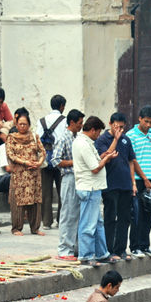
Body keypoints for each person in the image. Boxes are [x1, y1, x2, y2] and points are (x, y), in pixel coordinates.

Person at [73, 116, 117, 266]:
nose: (98, 136)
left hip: (93, 188)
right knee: (88, 224)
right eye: (98, 133)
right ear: (92, 130)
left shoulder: (86, 142)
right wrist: (105, 160)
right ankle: (86, 255)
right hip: (89, 187)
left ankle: (101, 253)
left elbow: (95, 161)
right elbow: (95, 168)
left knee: (97, 223)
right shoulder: (82, 144)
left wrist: (105, 156)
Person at [95, 112, 136, 260]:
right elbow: (105, 156)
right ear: (110, 123)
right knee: (110, 217)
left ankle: (121, 249)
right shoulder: (102, 140)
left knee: (124, 218)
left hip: (125, 184)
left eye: (122, 127)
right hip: (110, 184)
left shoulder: (126, 140)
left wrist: (133, 183)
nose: (119, 129)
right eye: (116, 126)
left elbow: (131, 161)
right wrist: (115, 139)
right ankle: (109, 250)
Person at [125, 106, 151, 259]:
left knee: (148, 214)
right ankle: (135, 247)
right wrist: (144, 179)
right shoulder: (130, 135)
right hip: (138, 180)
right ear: (139, 118)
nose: (148, 125)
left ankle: (145, 245)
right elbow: (132, 160)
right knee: (136, 214)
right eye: (146, 121)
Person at [5, 111, 46, 236]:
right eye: (20, 124)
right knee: (18, 201)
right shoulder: (11, 138)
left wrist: (39, 162)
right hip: (19, 174)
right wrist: (25, 162)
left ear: (29, 125)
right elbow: (10, 154)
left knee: (35, 200)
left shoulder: (34, 136)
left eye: (25, 124)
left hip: (34, 174)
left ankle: (35, 227)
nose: (22, 126)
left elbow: (43, 151)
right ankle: (16, 228)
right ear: (16, 125)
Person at [52, 109, 84, 261]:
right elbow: (56, 160)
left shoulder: (78, 137)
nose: (81, 126)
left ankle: (75, 247)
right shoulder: (63, 138)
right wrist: (75, 162)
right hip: (69, 177)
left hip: (79, 178)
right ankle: (64, 249)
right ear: (72, 122)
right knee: (68, 214)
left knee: (77, 213)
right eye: (79, 123)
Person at [40, 94, 67, 228]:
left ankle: (46, 221)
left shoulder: (42, 121)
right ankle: (61, 220)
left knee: (46, 191)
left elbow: (38, 139)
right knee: (62, 190)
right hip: (60, 159)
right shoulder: (65, 120)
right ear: (62, 106)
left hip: (45, 158)